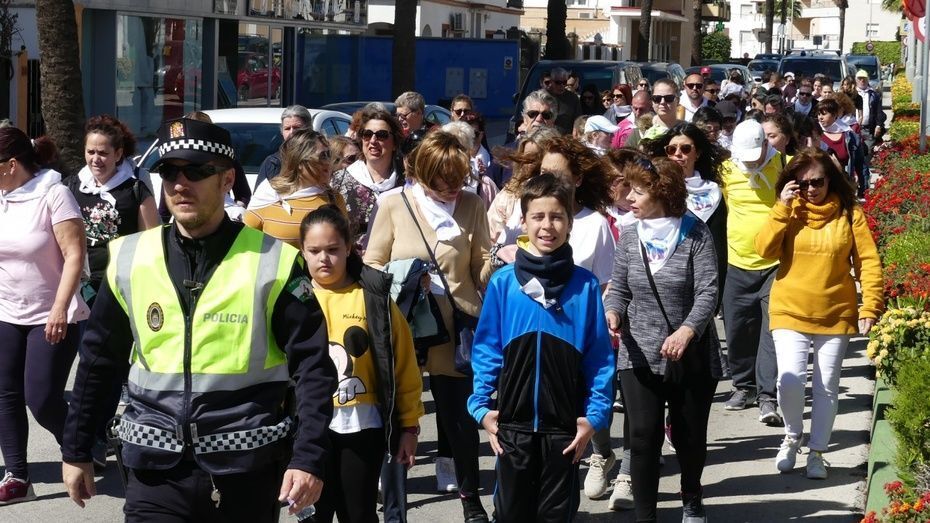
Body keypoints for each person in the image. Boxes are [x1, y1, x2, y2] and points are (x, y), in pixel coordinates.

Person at [60, 117, 338, 521]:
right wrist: (77, 449)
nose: (180, 184)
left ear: (227, 180)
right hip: (154, 469)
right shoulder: (130, 257)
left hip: (246, 468)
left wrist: (308, 457)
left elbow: (313, 368)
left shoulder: (275, 260)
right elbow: (99, 362)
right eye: (170, 172)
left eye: (196, 171)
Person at [468, 172, 614, 522]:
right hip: (512, 428)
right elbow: (487, 349)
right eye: (538, 216)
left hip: (564, 430)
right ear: (524, 221)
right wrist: (481, 407)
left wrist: (594, 417)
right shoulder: (504, 283)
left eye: (557, 217)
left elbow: (599, 359)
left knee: (556, 515)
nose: (547, 226)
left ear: (570, 223)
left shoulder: (585, 286)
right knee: (510, 514)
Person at [364, 131, 493, 523]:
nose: (452, 186)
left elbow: (480, 266)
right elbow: (371, 266)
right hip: (406, 325)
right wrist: (403, 276)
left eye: (458, 177)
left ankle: (470, 499)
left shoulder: (471, 204)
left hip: (457, 328)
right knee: (398, 419)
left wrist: (501, 260)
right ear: (421, 171)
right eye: (442, 178)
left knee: (461, 421)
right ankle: (395, 509)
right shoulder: (394, 203)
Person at [605, 157, 724, 523]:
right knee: (642, 436)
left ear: (663, 193)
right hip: (639, 353)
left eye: (639, 191)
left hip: (689, 353)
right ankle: (646, 517)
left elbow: (708, 291)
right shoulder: (629, 235)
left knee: (689, 436)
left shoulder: (695, 233)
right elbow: (619, 288)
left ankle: (691, 496)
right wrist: (612, 312)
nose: (629, 197)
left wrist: (687, 330)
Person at [754, 149, 883, 479]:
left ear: (830, 181)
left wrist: (870, 305)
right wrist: (781, 208)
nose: (810, 189)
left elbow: (868, 262)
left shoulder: (849, 213)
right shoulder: (788, 209)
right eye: (803, 183)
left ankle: (817, 452)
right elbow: (764, 250)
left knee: (826, 386)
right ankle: (792, 435)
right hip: (789, 308)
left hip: (835, 311)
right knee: (790, 381)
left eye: (817, 182)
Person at [298, 205, 424, 522]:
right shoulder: (294, 301)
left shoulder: (373, 299)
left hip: (361, 425)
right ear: (302, 251)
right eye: (314, 251)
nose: (324, 258)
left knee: (359, 513)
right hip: (307, 429)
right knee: (312, 516)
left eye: (332, 249)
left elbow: (404, 366)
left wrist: (409, 426)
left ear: (349, 248)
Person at [0, 130, 89, 505]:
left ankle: (82, 444)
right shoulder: (2, 198)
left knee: (41, 399)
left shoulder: (54, 193)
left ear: (11, 165)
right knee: (5, 393)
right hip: (7, 311)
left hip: (52, 313)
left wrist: (59, 307)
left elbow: (74, 254)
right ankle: (17, 476)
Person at [68, 115, 161, 465]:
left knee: (107, 363)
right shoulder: (72, 185)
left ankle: (100, 434)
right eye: (91, 152)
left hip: (120, 287)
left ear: (119, 154)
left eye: (103, 153)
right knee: (88, 362)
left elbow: (153, 241)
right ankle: (88, 434)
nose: (96, 159)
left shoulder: (134, 188)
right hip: (80, 285)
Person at [719, 120, 784, 424]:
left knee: (771, 332)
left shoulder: (784, 166)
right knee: (737, 330)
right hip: (736, 263)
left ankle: (767, 396)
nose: (751, 162)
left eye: (756, 155)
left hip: (775, 265)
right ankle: (743, 387)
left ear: (766, 146)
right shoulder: (725, 171)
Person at [648, 123, 728, 303]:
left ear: (697, 153)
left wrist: (715, 298)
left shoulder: (712, 193)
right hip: (658, 276)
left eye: (685, 149)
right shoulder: (653, 190)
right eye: (671, 149)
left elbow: (718, 249)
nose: (678, 154)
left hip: (696, 280)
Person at [245, 129, 346, 248]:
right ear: (299, 162)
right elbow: (246, 244)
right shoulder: (269, 195)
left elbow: (344, 244)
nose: (328, 162)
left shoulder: (334, 198)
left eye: (329, 154)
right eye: (323, 156)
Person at [330, 109, 406, 248]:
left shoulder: (408, 181)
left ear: (395, 143)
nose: (373, 141)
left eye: (382, 135)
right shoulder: (339, 180)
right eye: (367, 134)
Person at [487, 126, 561, 246]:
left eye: (537, 159)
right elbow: (491, 236)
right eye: (527, 159)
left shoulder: (563, 195)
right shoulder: (508, 196)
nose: (532, 165)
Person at [817, 97, 868, 197]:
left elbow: (861, 165)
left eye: (824, 114)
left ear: (835, 115)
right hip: (820, 190)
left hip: (843, 189)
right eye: (818, 114)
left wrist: (864, 191)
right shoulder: (815, 135)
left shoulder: (850, 136)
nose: (820, 117)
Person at [256, 104, 313, 189]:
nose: (291, 132)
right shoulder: (273, 163)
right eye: (287, 128)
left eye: (297, 127)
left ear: (309, 129)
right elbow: (260, 195)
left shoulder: (320, 159)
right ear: (282, 132)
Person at [855, 69, 886, 160]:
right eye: (860, 78)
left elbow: (879, 111)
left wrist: (878, 125)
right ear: (856, 80)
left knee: (867, 152)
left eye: (864, 78)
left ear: (868, 80)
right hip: (853, 128)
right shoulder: (852, 93)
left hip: (868, 129)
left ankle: (865, 168)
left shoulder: (874, 94)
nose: (862, 81)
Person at [545, 67, 582, 135]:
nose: (562, 86)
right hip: (546, 136)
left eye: (564, 82)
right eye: (558, 82)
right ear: (551, 81)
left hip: (566, 138)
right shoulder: (543, 96)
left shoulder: (573, 98)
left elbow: (578, 120)